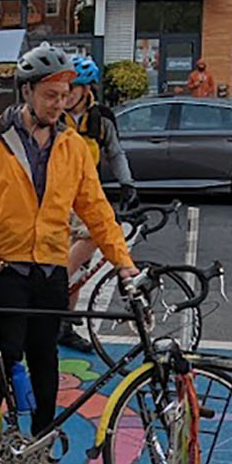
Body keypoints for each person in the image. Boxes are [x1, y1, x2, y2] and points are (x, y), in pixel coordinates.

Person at [0, 44, 136, 464]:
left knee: (46, 363)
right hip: (4, 268)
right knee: (1, 361)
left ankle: (40, 449)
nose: (60, 102)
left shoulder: (71, 145)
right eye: (51, 94)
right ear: (27, 91)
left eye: (65, 93)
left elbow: (96, 210)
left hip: (51, 270)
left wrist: (123, 263)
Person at [58, 56, 137, 352]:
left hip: (85, 194)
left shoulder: (100, 119)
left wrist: (128, 184)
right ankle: (52, 288)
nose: (66, 95)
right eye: (63, 87)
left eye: (72, 88)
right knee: (86, 242)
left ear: (86, 88)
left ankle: (63, 325)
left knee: (80, 264)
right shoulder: (54, 115)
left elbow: (115, 153)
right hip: (55, 194)